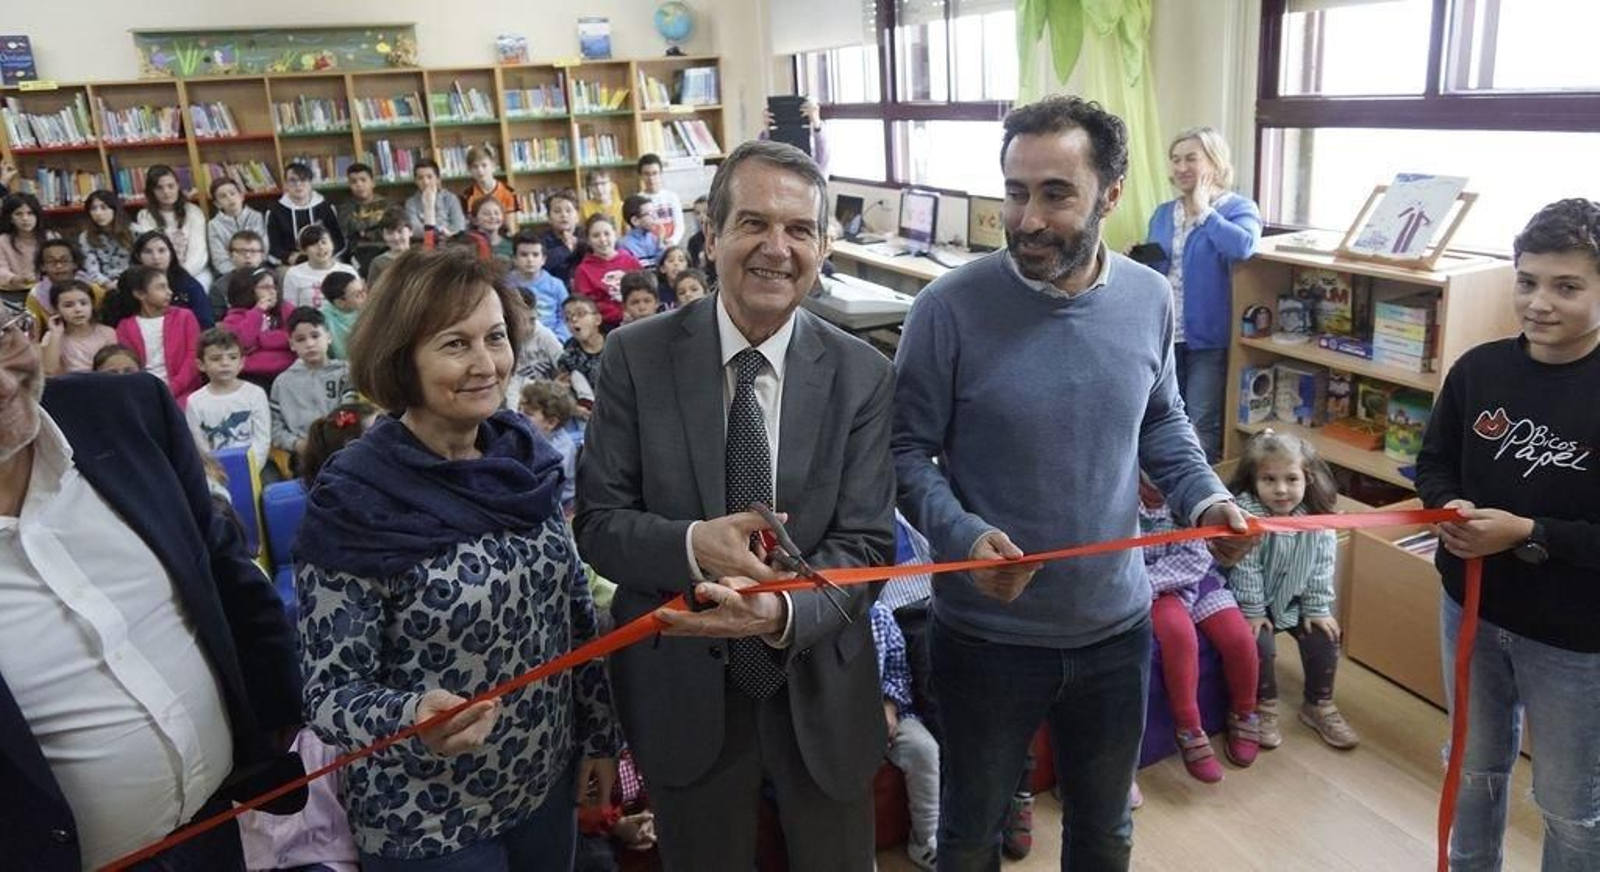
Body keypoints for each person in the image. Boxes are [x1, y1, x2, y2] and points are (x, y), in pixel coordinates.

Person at [891, 95, 1254, 870]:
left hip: (1114, 630)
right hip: (985, 639)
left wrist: (1206, 498)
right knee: (970, 836)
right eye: (1015, 192)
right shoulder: (946, 308)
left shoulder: (1147, 298)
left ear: (1110, 195)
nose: (1026, 220)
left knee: (1105, 831)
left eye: (1055, 195)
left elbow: (1161, 420)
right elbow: (904, 452)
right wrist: (962, 536)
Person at [574, 138, 895, 872]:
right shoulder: (634, 357)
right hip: (683, 689)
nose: (777, 249)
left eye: (800, 229)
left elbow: (869, 547)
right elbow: (598, 526)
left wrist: (780, 611)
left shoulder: (863, 375)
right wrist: (693, 546)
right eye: (754, 223)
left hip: (820, 680)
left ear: (823, 247)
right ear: (711, 233)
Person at [296, 246, 620, 869]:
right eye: (455, 344)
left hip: (544, 785)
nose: (485, 364)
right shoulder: (356, 498)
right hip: (426, 818)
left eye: (495, 338)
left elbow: (574, 616)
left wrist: (599, 736)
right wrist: (412, 715)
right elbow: (330, 694)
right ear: (401, 359)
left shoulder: (522, 461)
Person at [0, 305, 305, 870]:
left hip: (216, 823)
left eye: (0, 336)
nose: (2, 383)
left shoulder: (126, 409)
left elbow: (224, 568)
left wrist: (284, 711)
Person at [1416, 197, 1600, 870]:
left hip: (1574, 638)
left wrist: (1529, 532)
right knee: (1472, 769)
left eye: (1567, 287)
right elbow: (1434, 462)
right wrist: (1449, 505)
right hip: (1471, 608)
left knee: (1571, 804)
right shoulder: (1479, 369)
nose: (1539, 303)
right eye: (1527, 281)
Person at [1226, 430, 1357, 750]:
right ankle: (1263, 705)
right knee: (1259, 641)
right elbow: (1246, 568)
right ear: (1254, 480)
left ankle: (1319, 704)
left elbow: (1322, 566)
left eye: (1291, 479)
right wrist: (1254, 611)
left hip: (1294, 600)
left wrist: (1316, 608)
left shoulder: (1317, 517)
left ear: (1307, 478)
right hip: (1251, 601)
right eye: (1269, 479)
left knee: (1324, 635)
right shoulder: (1246, 514)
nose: (1281, 489)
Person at [1142, 127, 1261, 463]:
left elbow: (1243, 246)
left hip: (1208, 336)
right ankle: (1160, 485)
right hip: (1164, 330)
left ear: (1215, 161)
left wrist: (1203, 211)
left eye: (1191, 159)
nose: (1181, 167)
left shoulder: (1238, 208)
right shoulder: (1164, 212)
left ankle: (1197, 488)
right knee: (1163, 414)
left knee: (1201, 421)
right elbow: (1164, 265)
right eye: (1175, 159)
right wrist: (1140, 258)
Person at [1139, 474, 1260, 782]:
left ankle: (1244, 712)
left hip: (1194, 579)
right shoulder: (1123, 502)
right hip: (1153, 590)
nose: (1156, 478)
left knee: (1240, 639)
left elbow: (1196, 559)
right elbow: (1122, 561)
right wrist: (1142, 586)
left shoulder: (1189, 496)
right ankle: (1190, 728)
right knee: (1180, 636)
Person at [871, 601, 940, 871]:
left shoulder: (879, 614)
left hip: (888, 712)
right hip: (840, 727)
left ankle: (925, 839)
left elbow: (898, 671)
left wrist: (889, 706)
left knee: (923, 749)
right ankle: (859, 855)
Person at [106, 264, 202, 405]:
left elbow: (193, 356)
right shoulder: (125, 327)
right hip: (143, 392)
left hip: (184, 391)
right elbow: (129, 364)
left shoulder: (185, 317)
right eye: (161, 287)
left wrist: (172, 388)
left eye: (168, 286)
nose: (169, 292)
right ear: (140, 294)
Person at [185, 326, 272, 469]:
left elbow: (262, 439)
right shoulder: (195, 401)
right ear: (201, 364)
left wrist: (250, 468)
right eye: (216, 358)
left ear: (241, 362)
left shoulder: (255, 394)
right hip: (213, 471)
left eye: (232, 357)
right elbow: (198, 443)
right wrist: (214, 470)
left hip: (252, 467)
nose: (225, 363)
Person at [269, 307, 348, 462]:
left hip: (346, 450)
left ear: (329, 337)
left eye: (315, 336)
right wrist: (296, 444)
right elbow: (274, 426)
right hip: (304, 457)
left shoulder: (346, 373)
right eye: (301, 339)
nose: (310, 344)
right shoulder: (283, 383)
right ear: (292, 344)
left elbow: (359, 413)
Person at [133, 164, 210, 285]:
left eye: (170, 186)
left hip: (194, 272)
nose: (166, 192)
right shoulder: (145, 216)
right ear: (151, 191)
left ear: (178, 186)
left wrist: (180, 275)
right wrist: (164, 277)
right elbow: (152, 252)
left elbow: (198, 253)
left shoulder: (194, 212)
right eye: (159, 188)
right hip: (159, 273)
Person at [222, 266, 297, 383]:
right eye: (266, 287)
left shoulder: (285, 309)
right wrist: (258, 311)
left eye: (274, 287)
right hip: (251, 376)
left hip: (288, 372)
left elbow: (296, 337)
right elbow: (243, 343)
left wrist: (260, 339)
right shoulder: (234, 317)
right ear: (249, 290)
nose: (272, 292)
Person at [267, 162, 345, 265]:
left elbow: (339, 241)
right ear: (285, 184)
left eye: (303, 179)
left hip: (325, 258)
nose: (298, 185)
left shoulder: (325, 207)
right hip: (291, 263)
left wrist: (323, 255)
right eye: (292, 180)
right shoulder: (275, 211)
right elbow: (273, 246)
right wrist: (289, 257)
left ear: (310, 183)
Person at [571, 214, 642, 330]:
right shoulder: (583, 271)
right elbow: (587, 305)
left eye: (607, 234)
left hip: (638, 317)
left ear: (615, 235)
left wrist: (634, 311)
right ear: (588, 240)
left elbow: (645, 290)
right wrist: (620, 315)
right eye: (596, 235)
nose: (603, 239)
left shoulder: (631, 261)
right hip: (606, 326)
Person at [131, 229, 213, 328]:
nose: (156, 257)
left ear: (171, 253)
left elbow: (205, 322)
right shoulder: (131, 284)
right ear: (138, 256)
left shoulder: (188, 284)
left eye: (161, 251)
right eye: (148, 252)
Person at [519, 379, 579, 514]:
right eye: (519, 409)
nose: (519, 416)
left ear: (551, 422)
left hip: (559, 505)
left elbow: (543, 489)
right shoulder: (528, 435)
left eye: (528, 414)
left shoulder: (560, 452)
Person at [40, 279, 116, 375]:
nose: (78, 310)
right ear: (56, 309)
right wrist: (55, 335)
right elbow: (49, 370)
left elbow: (113, 368)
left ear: (92, 305)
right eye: (68, 305)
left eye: (83, 303)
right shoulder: (52, 336)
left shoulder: (107, 333)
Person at [26, 238, 105, 325]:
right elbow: (33, 329)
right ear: (42, 266)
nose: (59, 266)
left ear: (75, 264)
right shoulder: (35, 295)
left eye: (64, 261)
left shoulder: (94, 289)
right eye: (51, 261)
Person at [510, 231, 570, 340]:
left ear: (543, 259)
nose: (530, 259)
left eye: (535, 254)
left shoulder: (556, 285)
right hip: (518, 339)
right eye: (524, 255)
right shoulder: (506, 284)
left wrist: (559, 339)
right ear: (514, 259)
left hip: (552, 339)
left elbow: (567, 316)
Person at [282, 224, 358, 310]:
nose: (321, 247)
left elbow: (360, 303)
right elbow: (289, 309)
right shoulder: (294, 274)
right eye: (314, 244)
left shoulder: (348, 270)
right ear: (303, 250)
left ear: (332, 244)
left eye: (324, 242)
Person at [205, 176, 268, 279]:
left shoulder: (256, 217)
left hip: (257, 268)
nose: (230, 198)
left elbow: (263, 249)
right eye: (223, 196)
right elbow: (219, 259)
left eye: (232, 193)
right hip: (230, 273)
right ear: (217, 204)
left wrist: (253, 271)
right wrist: (238, 274)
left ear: (241, 196)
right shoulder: (214, 225)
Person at [337, 162, 391, 273]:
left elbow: (392, 229)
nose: (359, 185)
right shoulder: (346, 207)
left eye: (363, 180)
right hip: (358, 250)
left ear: (373, 183)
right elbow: (346, 230)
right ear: (349, 185)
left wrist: (363, 232)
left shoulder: (386, 204)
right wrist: (375, 220)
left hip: (386, 247)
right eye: (354, 182)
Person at [78, 189, 134, 285]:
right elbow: (92, 270)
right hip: (103, 285)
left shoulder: (134, 231)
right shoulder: (85, 237)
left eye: (104, 208)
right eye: (93, 209)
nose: (98, 213)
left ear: (115, 210)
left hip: (132, 281)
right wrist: (108, 285)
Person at [208, 228, 268, 314]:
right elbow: (218, 320)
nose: (248, 255)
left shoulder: (272, 281)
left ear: (262, 255)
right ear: (230, 255)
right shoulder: (220, 287)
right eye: (241, 251)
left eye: (253, 251)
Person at [405, 158, 468, 239]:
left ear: (437, 179)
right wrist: (439, 231)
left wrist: (446, 233)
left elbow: (459, 225)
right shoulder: (411, 203)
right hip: (424, 242)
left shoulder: (450, 198)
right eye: (420, 178)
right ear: (416, 181)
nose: (425, 182)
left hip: (451, 241)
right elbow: (415, 230)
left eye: (429, 177)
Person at [0, 192, 51, 290]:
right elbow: (1, 268)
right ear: (10, 218)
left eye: (30, 213)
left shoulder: (50, 237)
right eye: (18, 214)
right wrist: (13, 278)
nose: (25, 218)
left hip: (47, 289)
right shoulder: (2, 241)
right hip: (14, 290)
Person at [637, 152, 684, 246]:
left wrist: (672, 241)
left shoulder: (672, 197)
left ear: (661, 173)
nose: (651, 178)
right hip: (648, 247)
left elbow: (679, 225)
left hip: (671, 245)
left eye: (655, 173)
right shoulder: (637, 200)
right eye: (646, 174)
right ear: (641, 176)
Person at [319, 271, 367, 360]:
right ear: (340, 303)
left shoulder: (369, 311)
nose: (365, 296)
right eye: (358, 295)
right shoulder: (324, 319)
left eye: (363, 290)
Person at [461, 144, 517, 216]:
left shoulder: (508, 192)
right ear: (469, 170)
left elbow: (511, 221)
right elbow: (470, 220)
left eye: (484, 165)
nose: (480, 171)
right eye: (475, 167)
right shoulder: (467, 195)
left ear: (493, 166)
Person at [540, 190, 582, 285]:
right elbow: (539, 264)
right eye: (557, 211)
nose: (563, 215)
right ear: (549, 218)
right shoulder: (541, 240)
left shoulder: (587, 235)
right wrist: (565, 249)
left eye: (568, 211)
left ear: (577, 217)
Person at [367, 207, 414, 288]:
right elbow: (373, 291)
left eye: (400, 231)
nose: (396, 237)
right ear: (383, 235)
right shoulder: (378, 263)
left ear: (410, 231)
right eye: (389, 233)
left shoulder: (421, 257)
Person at [459, 196, 514, 262]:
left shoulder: (512, 245)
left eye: (496, 213)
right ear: (475, 220)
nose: (493, 217)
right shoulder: (467, 246)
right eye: (486, 214)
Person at [618, 194, 664, 266]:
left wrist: (661, 242)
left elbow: (661, 267)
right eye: (650, 213)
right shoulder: (624, 245)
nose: (655, 217)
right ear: (635, 221)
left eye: (655, 212)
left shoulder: (654, 239)